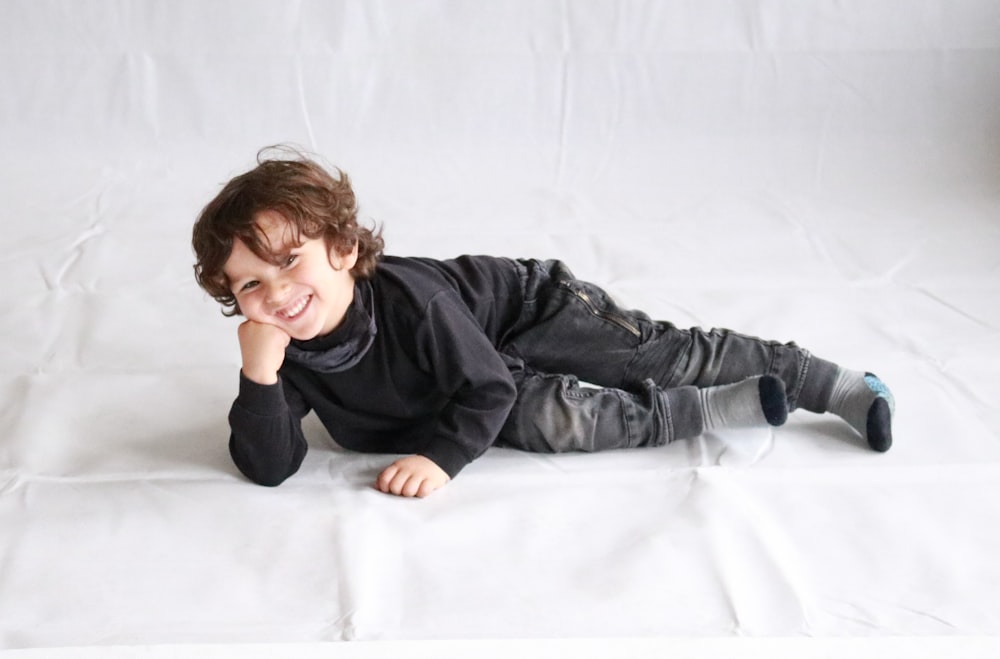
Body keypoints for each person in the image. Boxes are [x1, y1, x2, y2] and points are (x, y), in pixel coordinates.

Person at [192, 148, 895, 498]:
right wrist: (259, 376)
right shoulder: (282, 345)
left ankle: (829, 383)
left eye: (291, 263)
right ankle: (710, 411)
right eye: (250, 282)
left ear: (345, 250)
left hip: (525, 309)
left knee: (654, 357)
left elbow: (485, 388)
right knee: (555, 419)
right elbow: (270, 467)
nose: (277, 293)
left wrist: (441, 458)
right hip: (470, 380)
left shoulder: (413, 303)